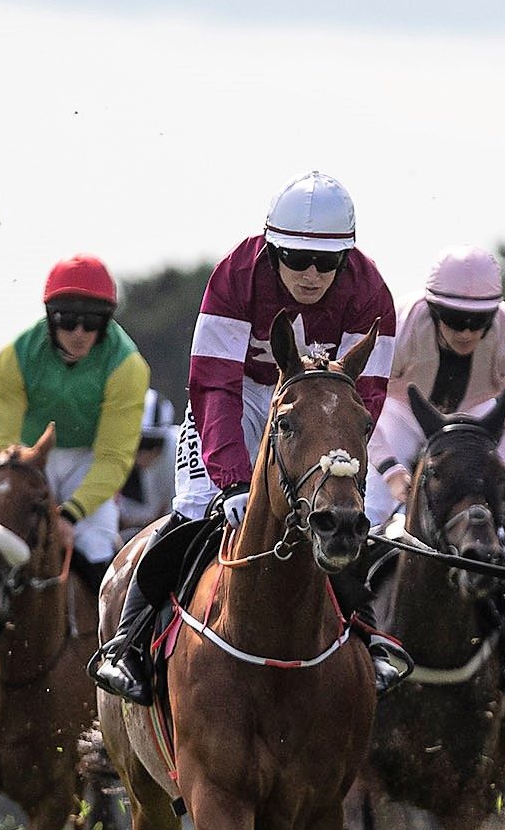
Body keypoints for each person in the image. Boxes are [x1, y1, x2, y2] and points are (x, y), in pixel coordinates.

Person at [90, 171, 407, 704]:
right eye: (295, 258)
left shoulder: (370, 292)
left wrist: (328, 471)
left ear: (346, 259)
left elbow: (362, 401)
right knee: (194, 511)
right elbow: (213, 385)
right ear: (270, 247)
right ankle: (128, 641)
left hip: (320, 407)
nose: (310, 274)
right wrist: (234, 481)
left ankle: (370, 640)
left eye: (325, 263)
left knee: (346, 522)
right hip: (240, 399)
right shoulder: (236, 275)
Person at [0, 255, 150, 677]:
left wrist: (70, 514)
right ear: (50, 318)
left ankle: (122, 656)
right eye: (67, 320)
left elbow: (114, 456)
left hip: (90, 466)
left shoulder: (127, 366)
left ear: (106, 322)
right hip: (25, 461)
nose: (78, 332)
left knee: (101, 553)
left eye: (90, 323)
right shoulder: (16, 356)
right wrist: (14, 481)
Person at [365, 246, 505, 692]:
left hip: (478, 422)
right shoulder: (399, 325)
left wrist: (482, 471)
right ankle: (353, 636)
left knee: (490, 531)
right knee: (367, 520)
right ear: (431, 309)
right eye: (453, 318)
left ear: (495, 316)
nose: (466, 331)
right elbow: (362, 402)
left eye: (479, 321)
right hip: (400, 414)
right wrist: (391, 471)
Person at [116, 389, 179, 543]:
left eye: (153, 444)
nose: (145, 454)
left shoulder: (178, 447)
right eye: (139, 444)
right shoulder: (112, 453)